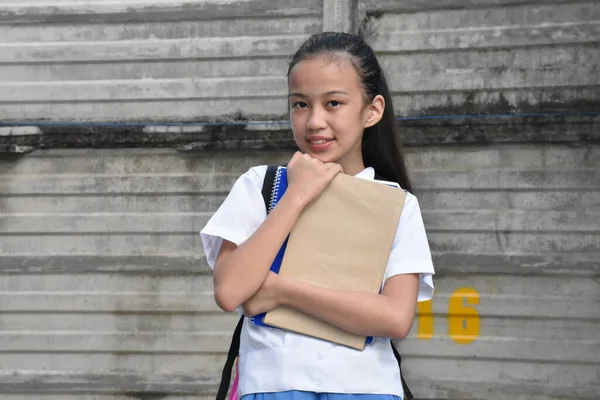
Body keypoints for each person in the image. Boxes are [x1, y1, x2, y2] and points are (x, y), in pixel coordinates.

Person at [200, 32, 435, 400]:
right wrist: (295, 197)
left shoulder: (397, 205)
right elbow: (230, 291)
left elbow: (394, 318)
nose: (314, 121)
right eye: (300, 105)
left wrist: (280, 290)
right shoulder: (261, 186)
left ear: (372, 110)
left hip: (367, 389)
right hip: (272, 387)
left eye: (334, 103)